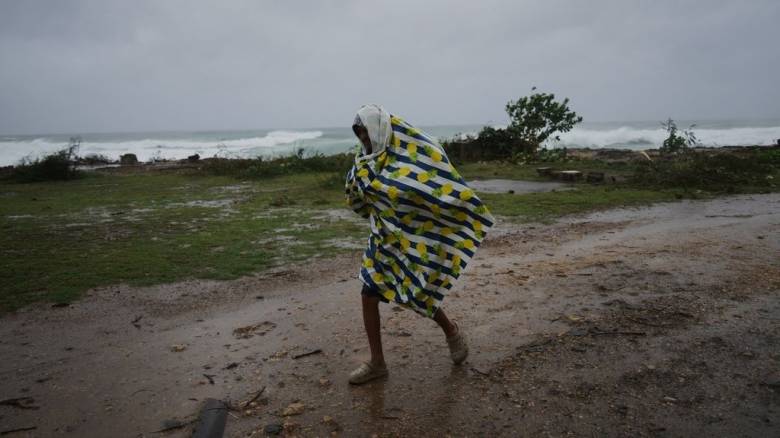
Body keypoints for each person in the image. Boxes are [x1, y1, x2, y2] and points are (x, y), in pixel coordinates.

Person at [344, 104, 496, 384]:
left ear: (379, 129)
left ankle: (452, 332)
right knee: (368, 294)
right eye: (359, 133)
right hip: (382, 240)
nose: (363, 138)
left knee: (418, 292)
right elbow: (358, 195)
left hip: (412, 238)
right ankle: (377, 363)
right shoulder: (363, 160)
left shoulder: (411, 157)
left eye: (366, 132)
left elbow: (433, 186)